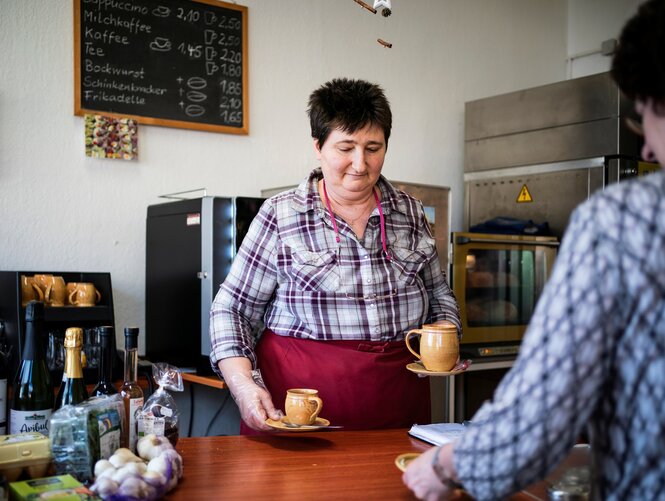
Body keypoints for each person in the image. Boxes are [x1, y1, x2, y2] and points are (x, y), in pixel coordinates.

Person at [403, 0, 665, 499]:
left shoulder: (619, 219)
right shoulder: (282, 213)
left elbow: (542, 414)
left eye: (644, 118)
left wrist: (445, 465)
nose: (647, 150)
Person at [209, 78, 461, 433]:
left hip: (398, 402)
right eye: (346, 148)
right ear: (318, 146)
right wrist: (243, 385)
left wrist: (446, 334)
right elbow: (232, 308)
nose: (360, 164)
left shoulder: (411, 213)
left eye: (373, 148)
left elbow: (439, 295)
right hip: (298, 409)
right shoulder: (280, 215)